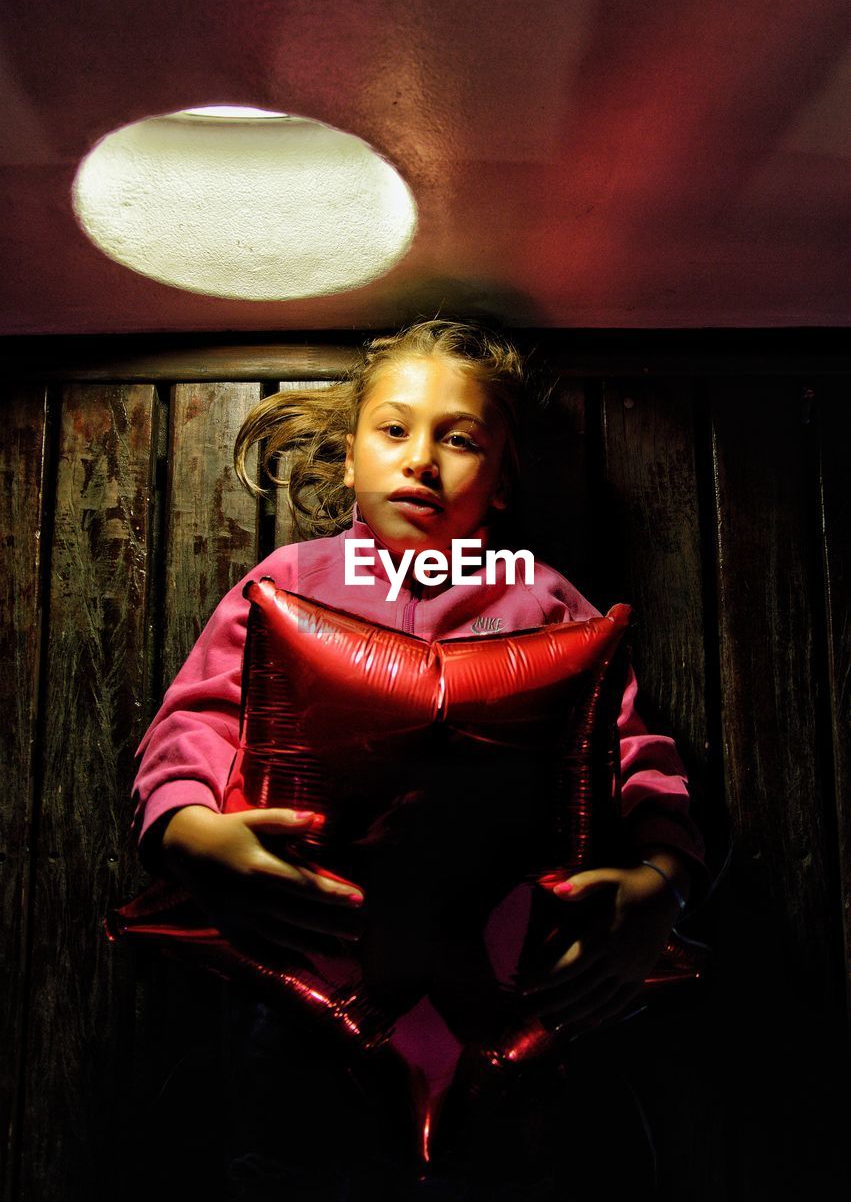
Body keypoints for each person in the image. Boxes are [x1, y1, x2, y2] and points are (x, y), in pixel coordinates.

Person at [130, 320, 709, 1201]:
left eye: (460, 439)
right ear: (350, 457)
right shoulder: (289, 579)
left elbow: (633, 752)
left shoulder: (542, 598)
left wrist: (662, 881)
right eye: (393, 429)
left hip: (514, 1012)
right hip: (304, 991)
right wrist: (184, 831)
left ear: (503, 477)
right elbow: (196, 718)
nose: (421, 461)